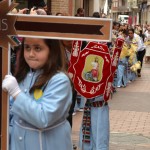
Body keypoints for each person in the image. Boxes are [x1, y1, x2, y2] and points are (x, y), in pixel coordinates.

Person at [2, 38, 73, 150]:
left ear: (52, 50)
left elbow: (44, 118)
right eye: (27, 48)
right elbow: (13, 117)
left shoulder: (60, 80)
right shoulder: (22, 76)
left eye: (37, 48)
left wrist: (16, 93)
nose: (31, 54)